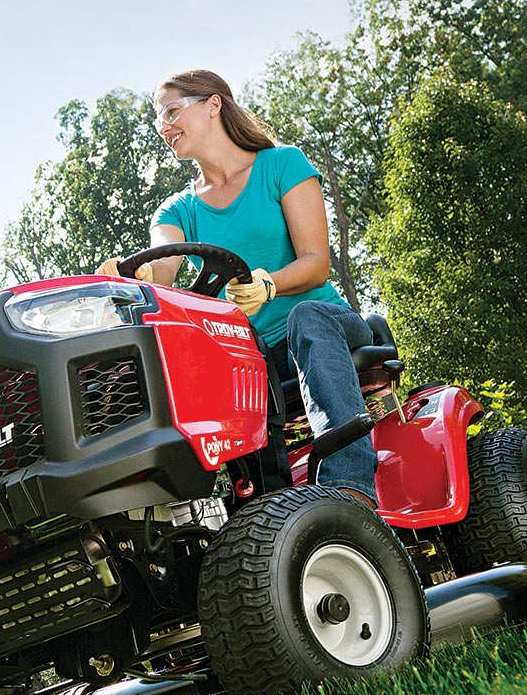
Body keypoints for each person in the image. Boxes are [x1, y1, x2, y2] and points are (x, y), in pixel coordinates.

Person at [97, 69, 378, 508]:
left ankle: (351, 488)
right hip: (255, 358)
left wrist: (270, 284)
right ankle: (261, 510)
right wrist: (139, 274)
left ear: (213, 104)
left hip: (329, 329)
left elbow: (316, 265)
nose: (162, 126)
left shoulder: (281, 165)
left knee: (306, 316)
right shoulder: (179, 209)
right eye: (157, 117)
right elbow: (163, 265)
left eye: (171, 111)